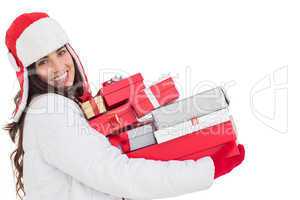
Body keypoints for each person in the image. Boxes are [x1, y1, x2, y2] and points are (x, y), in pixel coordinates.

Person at [3, 12, 245, 200]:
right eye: (44, 61)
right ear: (29, 72)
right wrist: (205, 170)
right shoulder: (49, 111)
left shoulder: (59, 108)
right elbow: (117, 173)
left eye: (60, 52)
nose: (59, 67)